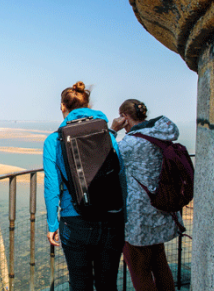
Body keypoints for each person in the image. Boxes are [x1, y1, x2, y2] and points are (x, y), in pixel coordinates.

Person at [43, 81, 126, 291]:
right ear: (88, 105)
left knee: (80, 284)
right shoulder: (107, 134)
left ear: (63, 106)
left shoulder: (54, 140)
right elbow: (120, 173)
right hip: (111, 219)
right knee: (108, 284)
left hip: (75, 220)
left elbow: (52, 187)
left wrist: (52, 224)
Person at [110, 99, 181, 291]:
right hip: (161, 208)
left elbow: (106, 159)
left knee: (139, 269)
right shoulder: (161, 136)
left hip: (137, 216)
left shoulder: (130, 144)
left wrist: (112, 131)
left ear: (124, 117)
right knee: (160, 263)